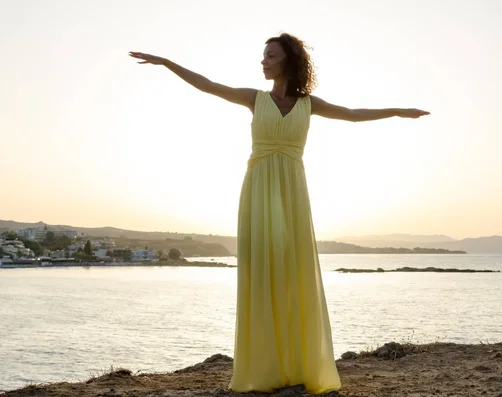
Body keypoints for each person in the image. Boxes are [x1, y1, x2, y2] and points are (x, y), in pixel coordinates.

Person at [129, 33, 429, 395]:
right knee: (263, 271)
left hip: (292, 192)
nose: (263, 61)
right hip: (258, 189)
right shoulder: (254, 99)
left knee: (294, 272)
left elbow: (352, 116)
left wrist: (397, 111)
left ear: (288, 59)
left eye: (270, 55)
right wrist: (166, 62)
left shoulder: (309, 104)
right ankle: (265, 368)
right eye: (263, 55)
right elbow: (208, 85)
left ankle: (298, 364)